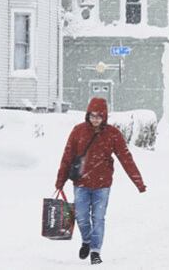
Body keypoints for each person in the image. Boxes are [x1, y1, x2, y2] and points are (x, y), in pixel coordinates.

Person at [55, 97, 146, 265]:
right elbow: (67, 156)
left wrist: (138, 182)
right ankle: (87, 241)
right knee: (81, 216)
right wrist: (60, 180)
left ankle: (95, 251)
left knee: (98, 218)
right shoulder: (78, 131)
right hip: (81, 183)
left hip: (102, 185)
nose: (95, 119)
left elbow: (126, 159)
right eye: (92, 115)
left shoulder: (112, 134)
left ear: (104, 116)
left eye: (99, 116)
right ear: (88, 115)